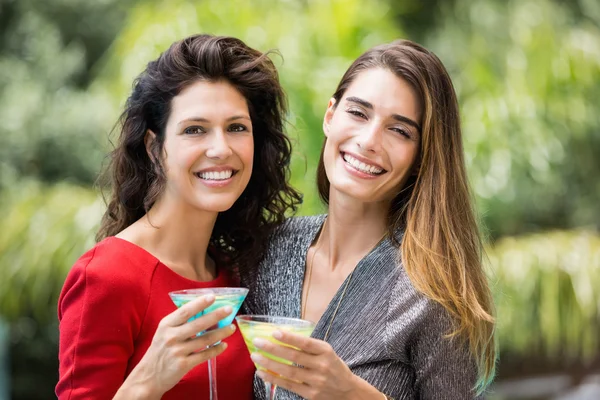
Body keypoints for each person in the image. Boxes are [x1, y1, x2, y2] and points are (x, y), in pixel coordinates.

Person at [241, 39, 497, 399]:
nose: (369, 140)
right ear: (330, 116)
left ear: (422, 157)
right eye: (358, 113)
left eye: (400, 130)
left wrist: (349, 393)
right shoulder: (266, 251)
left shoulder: (431, 293)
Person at [56, 34, 301, 400]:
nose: (221, 148)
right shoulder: (106, 276)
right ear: (155, 149)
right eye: (194, 130)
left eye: (237, 127)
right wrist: (148, 380)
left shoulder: (238, 269)